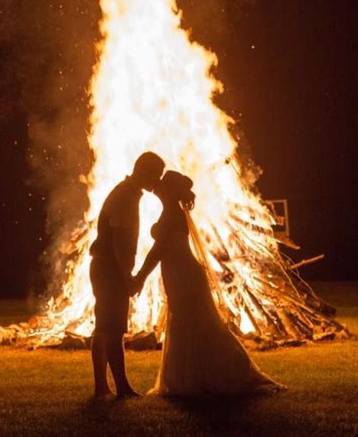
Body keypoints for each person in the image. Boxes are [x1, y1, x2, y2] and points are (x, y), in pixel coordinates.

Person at [133, 170, 284, 395]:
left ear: (171, 190)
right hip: (180, 275)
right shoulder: (171, 212)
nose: (158, 186)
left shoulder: (172, 215)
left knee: (195, 324)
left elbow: (158, 251)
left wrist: (140, 277)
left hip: (184, 277)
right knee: (190, 324)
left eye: (164, 183)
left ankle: (203, 377)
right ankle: (191, 377)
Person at [89, 151, 165, 398]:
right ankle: (122, 388)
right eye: (157, 175)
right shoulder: (126, 196)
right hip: (110, 270)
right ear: (144, 171)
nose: (158, 181)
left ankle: (102, 387)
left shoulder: (126, 192)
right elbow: (120, 244)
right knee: (113, 330)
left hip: (104, 267)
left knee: (103, 329)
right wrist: (128, 277)